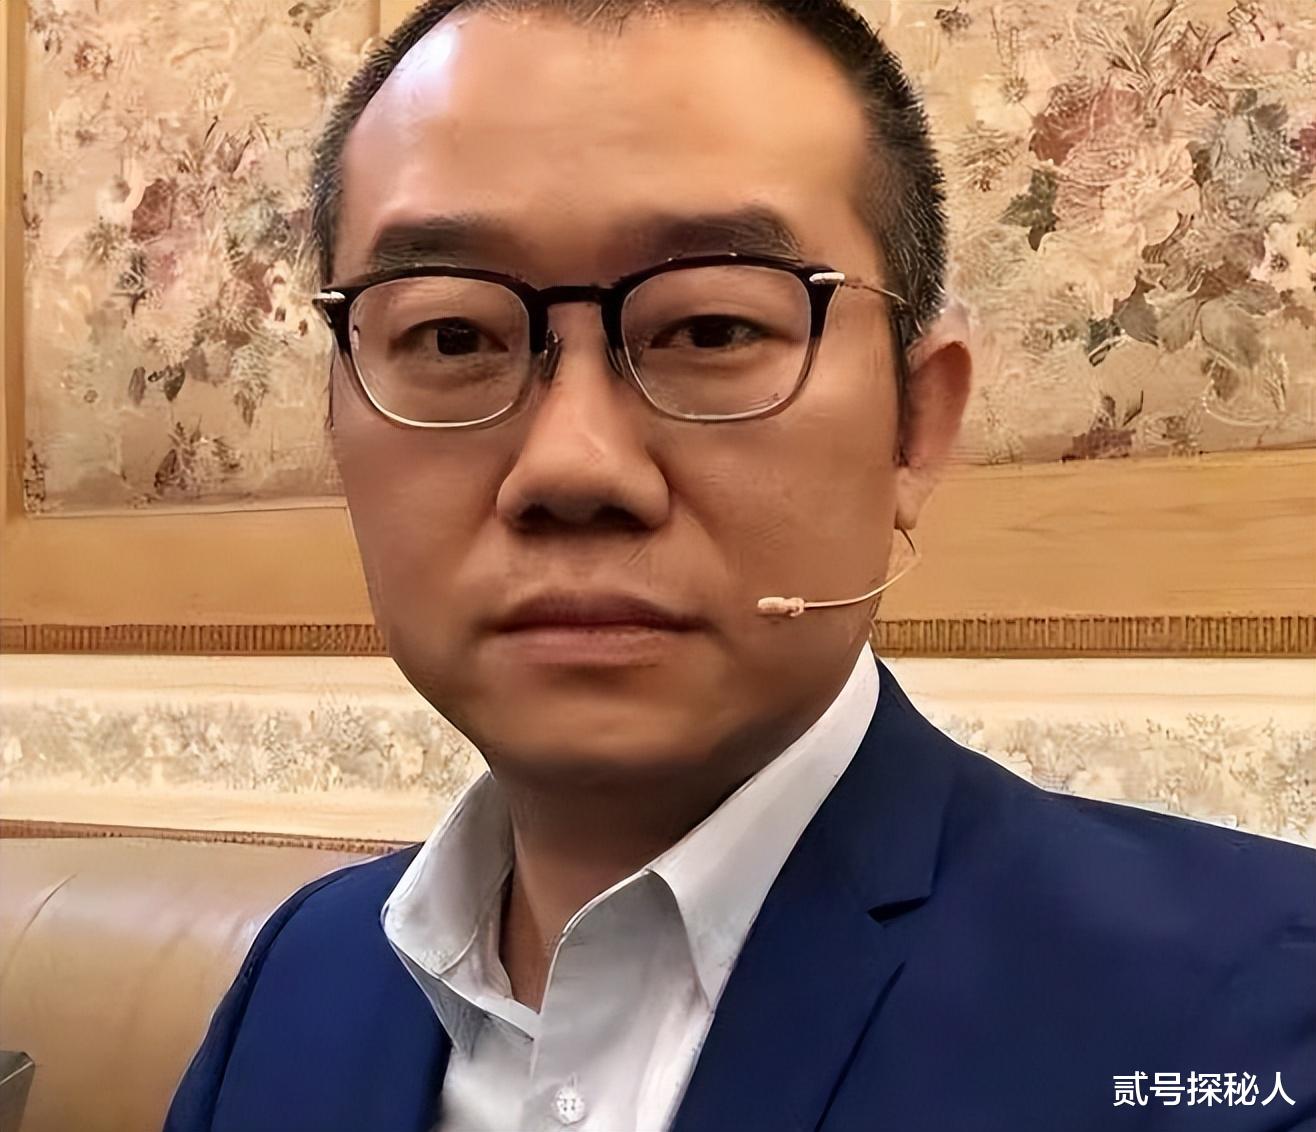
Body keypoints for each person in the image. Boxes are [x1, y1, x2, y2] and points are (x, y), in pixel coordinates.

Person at [165, 1, 1316, 1129]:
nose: (571, 466)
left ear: (915, 424)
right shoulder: (303, 979)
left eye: (710, 329)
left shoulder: (1246, 1015)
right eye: (452, 335)